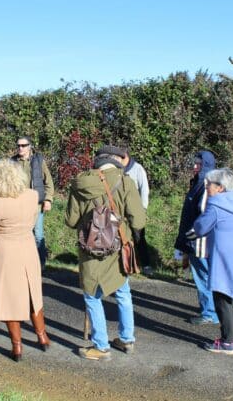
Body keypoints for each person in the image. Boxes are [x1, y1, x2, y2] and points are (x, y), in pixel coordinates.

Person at [65, 146, 146, 361]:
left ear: (97, 162)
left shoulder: (80, 183)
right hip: (118, 247)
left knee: (92, 296)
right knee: (122, 291)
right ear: (116, 162)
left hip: (90, 249)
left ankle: (101, 346)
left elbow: (71, 220)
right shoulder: (126, 182)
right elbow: (139, 221)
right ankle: (127, 339)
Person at [0, 159, 50, 361]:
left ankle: (17, 346)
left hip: (5, 253)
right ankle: (42, 337)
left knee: (9, 300)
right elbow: (32, 221)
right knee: (33, 294)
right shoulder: (32, 195)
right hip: (28, 247)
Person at [190, 168, 233, 355]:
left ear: (220, 188)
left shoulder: (216, 205)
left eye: (209, 184)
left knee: (221, 296)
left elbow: (200, 227)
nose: (206, 187)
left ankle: (226, 342)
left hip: (223, 255)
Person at [174, 150, 219, 325]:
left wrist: (191, 236)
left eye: (198, 163)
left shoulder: (206, 184)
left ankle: (210, 312)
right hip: (197, 238)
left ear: (205, 165)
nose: (194, 166)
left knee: (204, 276)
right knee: (205, 275)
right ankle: (212, 310)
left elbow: (206, 213)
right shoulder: (199, 182)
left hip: (200, 240)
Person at [11, 136, 54, 269]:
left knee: (38, 234)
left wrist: (48, 199)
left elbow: (49, 182)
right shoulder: (11, 162)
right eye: (18, 145)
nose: (20, 148)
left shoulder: (38, 161)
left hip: (36, 204)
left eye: (23, 145)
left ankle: (40, 263)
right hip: (18, 205)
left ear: (30, 146)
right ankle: (20, 263)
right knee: (18, 233)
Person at [122, 150, 152, 274]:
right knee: (123, 238)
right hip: (121, 211)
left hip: (136, 210)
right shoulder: (117, 169)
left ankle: (146, 265)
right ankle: (126, 264)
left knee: (139, 237)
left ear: (126, 156)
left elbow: (144, 189)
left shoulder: (138, 169)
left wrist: (143, 209)